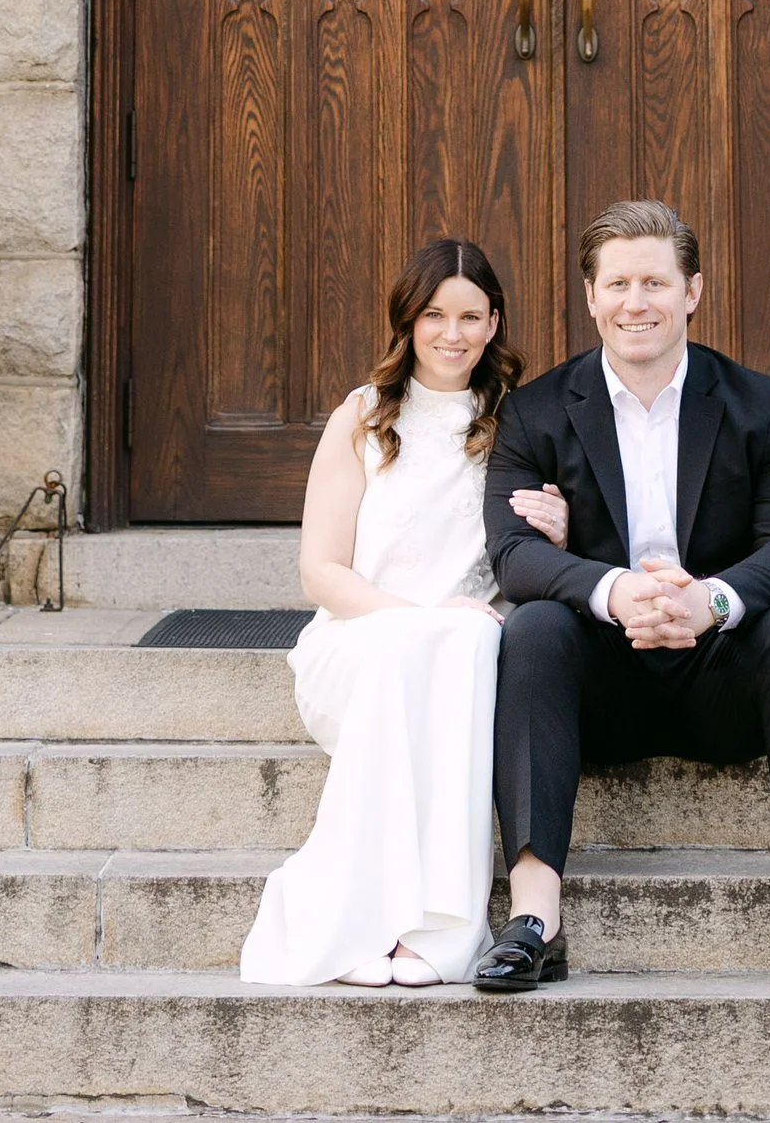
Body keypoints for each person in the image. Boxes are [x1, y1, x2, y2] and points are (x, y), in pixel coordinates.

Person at [477, 197, 770, 998]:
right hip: (601, 681)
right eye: (620, 284)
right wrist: (615, 589)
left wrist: (713, 601)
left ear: (692, 292)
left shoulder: (759, 403)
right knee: (530, 632)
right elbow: (512, 554)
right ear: (591, 297)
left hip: (722, 677)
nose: (638, 303)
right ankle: (535, 920)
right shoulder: (533, 412)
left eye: (657, 283)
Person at [238, 237, 519, 988]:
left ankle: (444, 932)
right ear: (408, 320)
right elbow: (321, 572)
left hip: (457, 656)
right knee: (423, 646)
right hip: (359, 643)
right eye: (434, 314)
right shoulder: (362, 417)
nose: (451, 334)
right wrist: (410, 623)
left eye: (470, 316)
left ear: (494, 323)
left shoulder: (517, 425)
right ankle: (351, 922)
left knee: (463, 641)